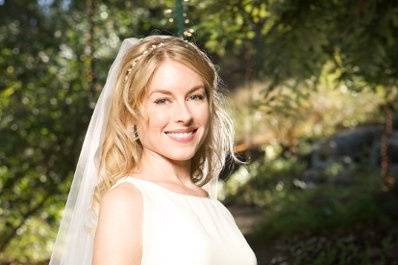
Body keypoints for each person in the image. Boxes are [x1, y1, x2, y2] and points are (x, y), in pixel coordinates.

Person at [48, 35, 257, 265]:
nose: (184, 116)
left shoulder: (214, 206)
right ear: (130, 114)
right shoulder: (126, 201)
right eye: (162, 101)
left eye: (195, 96)